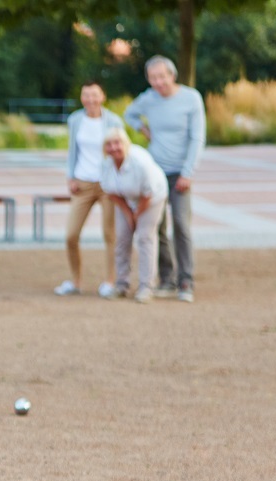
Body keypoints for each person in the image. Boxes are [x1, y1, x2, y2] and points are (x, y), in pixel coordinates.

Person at [123, 55, 206, 303]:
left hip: (180, 173)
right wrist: (142, 128)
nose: (158, 83)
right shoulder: (149, 99)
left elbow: (197, 138)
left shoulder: (191, 98)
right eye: (153, 78)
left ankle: (185, 279)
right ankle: (167, 278)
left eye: (162, 77)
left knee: (181, 224)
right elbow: (129, 114)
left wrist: (188, 172)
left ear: (173, 75)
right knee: (156, 226)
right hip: (155, 173)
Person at [56, 81, 123, 298]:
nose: (90, 100)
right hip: (83, 184)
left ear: (102, 96)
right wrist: (70, 177)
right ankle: (75, 281)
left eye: (94, 95)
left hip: (107, 186)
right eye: (86, 95)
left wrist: (119, 181)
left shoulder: (113, 121)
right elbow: (72, 151)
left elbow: (120, 152)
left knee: (109, 234)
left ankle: (110, 281)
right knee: (71, 235)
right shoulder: (75, 120)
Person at [99, 127, 169, 303]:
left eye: (117, 143)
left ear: (125, 144)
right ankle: (121, 285)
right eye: (109, 144)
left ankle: (146, 287)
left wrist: (137, 214)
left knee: (145, 237)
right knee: (122, 238)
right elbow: (110, 192)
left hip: (152, 198)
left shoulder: (140, 162)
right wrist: (128, 213)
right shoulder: (106, 164)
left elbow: (148, 193)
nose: (114, 148)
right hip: (126, 199)